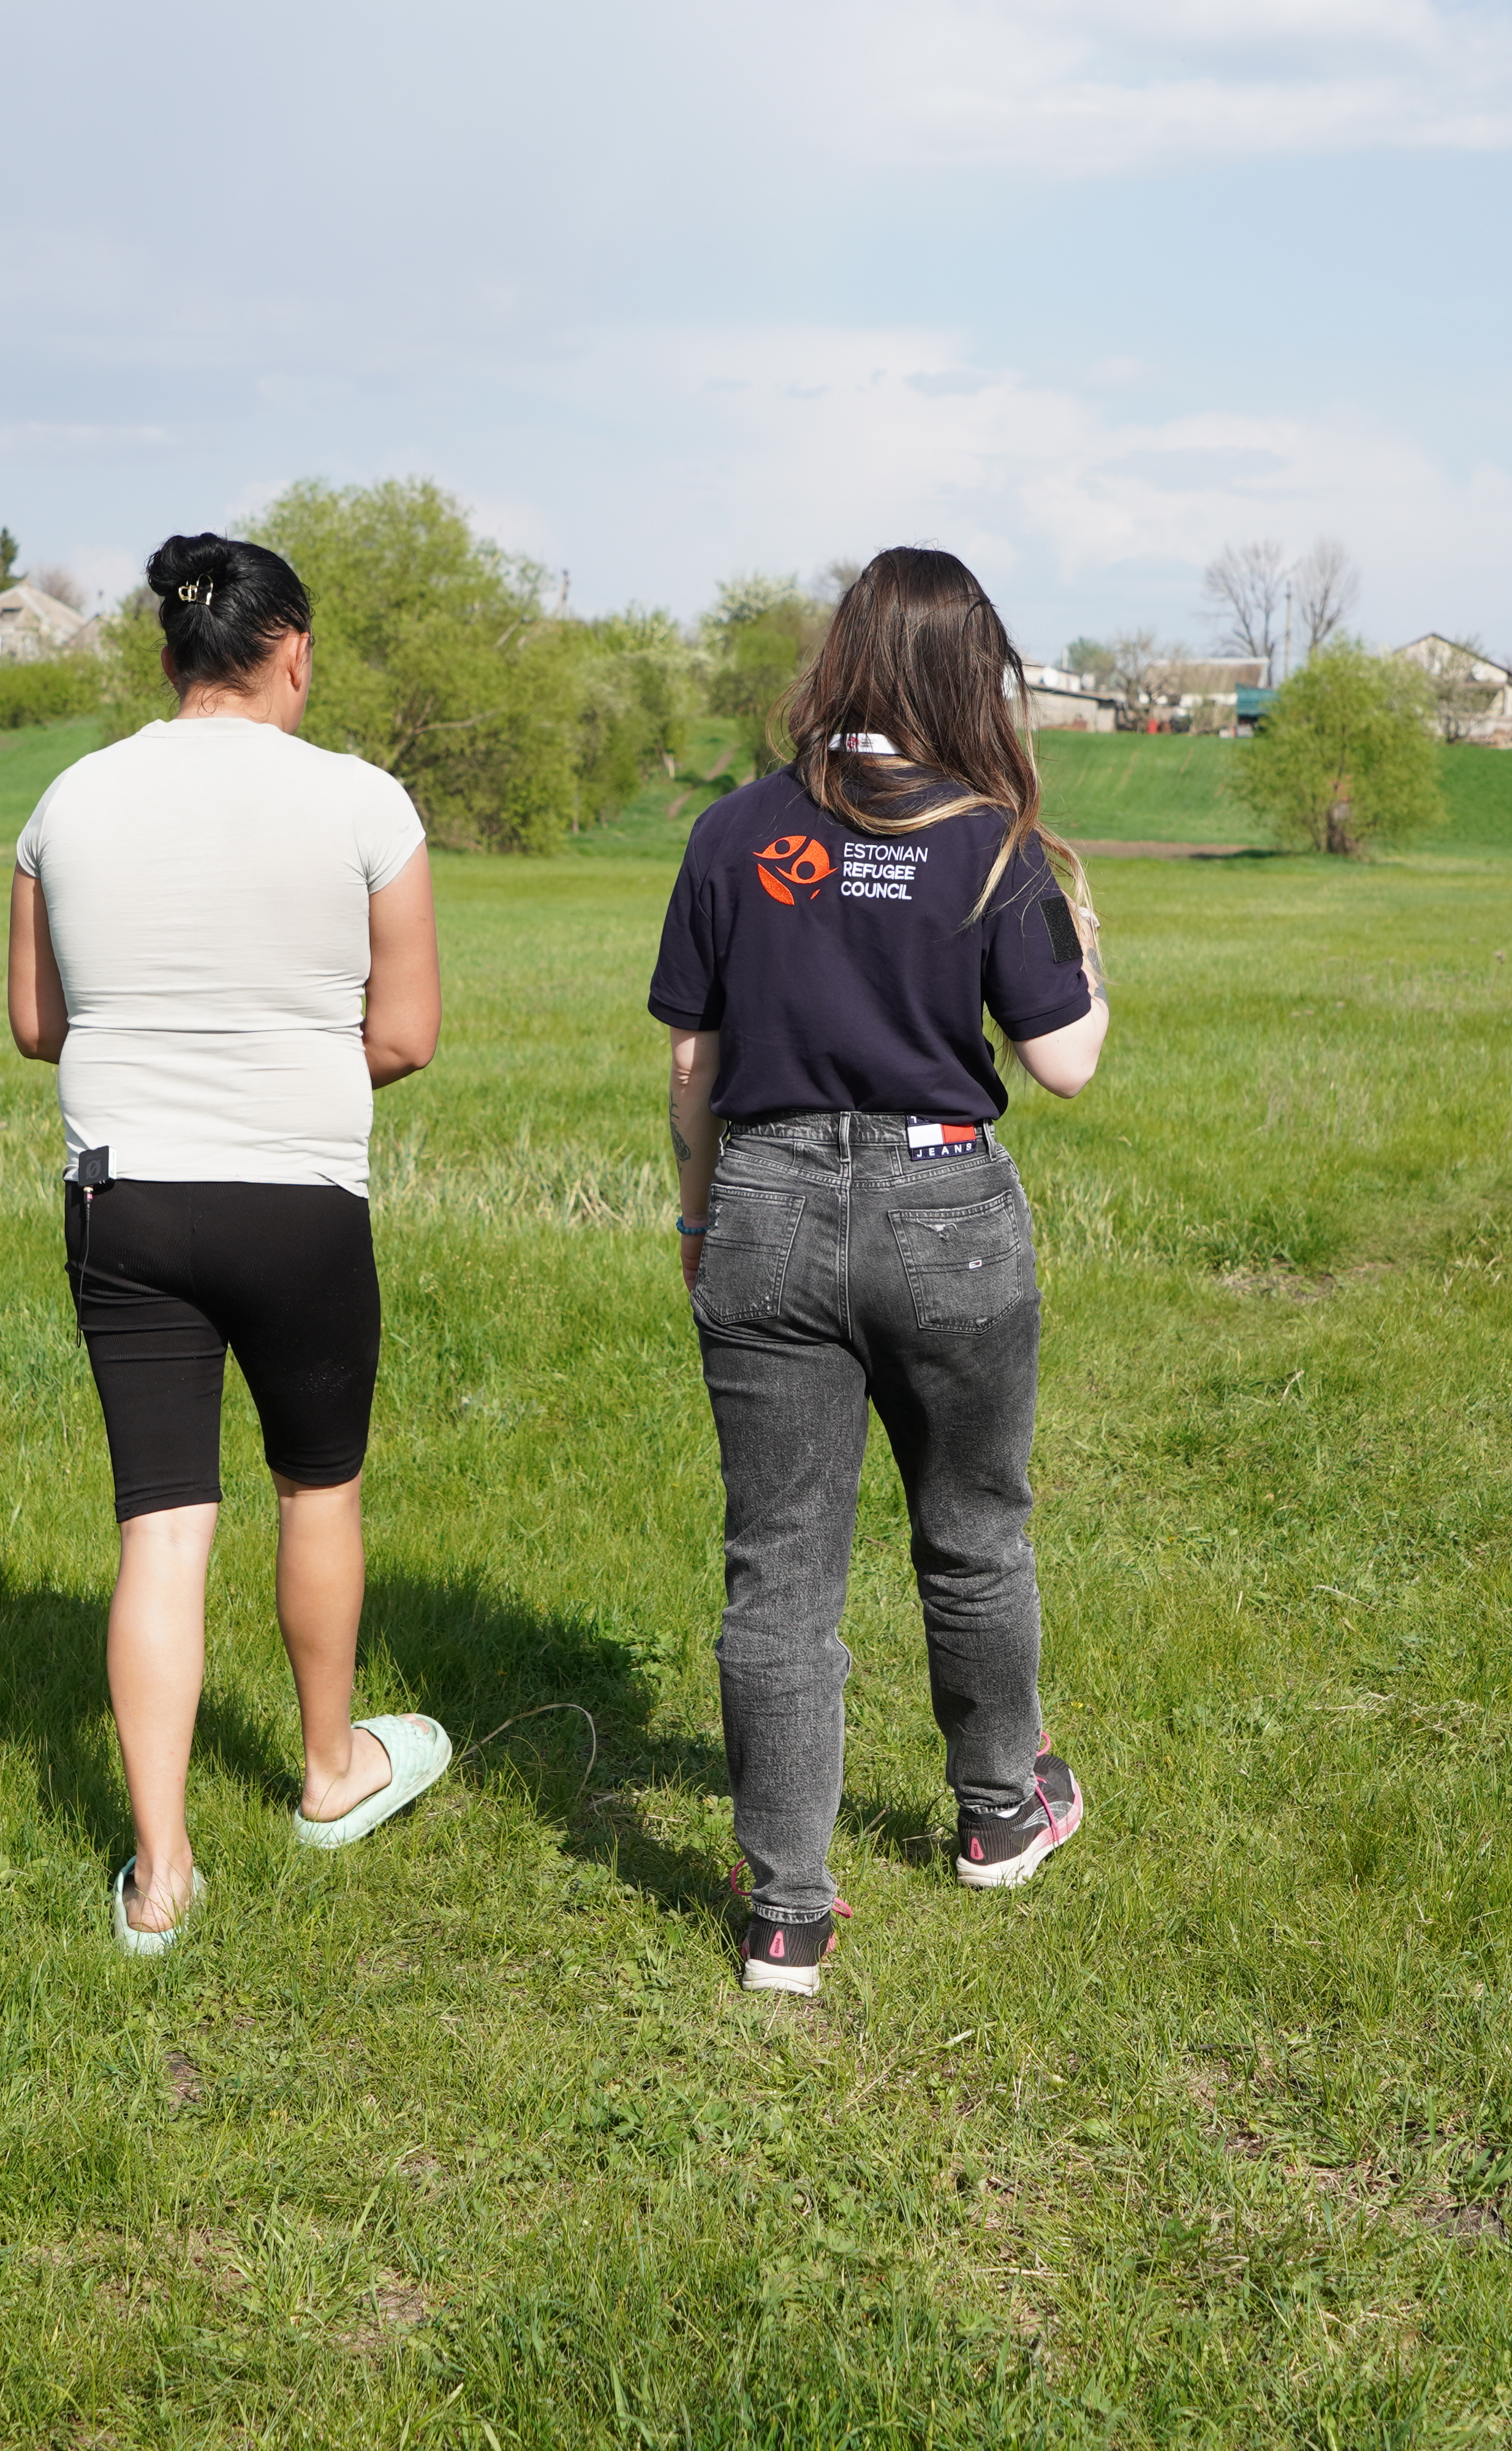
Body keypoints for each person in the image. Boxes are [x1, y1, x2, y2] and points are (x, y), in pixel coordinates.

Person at [646, 545, 1113, 1996]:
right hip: (945, 1197)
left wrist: (699, 1215)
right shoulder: (995, 838)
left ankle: (786, 1912)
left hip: (770, 1198)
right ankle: (995, 1812)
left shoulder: (734, 830)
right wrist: (1084, 936)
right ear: (970, 674)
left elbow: (691, 1061)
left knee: (778, 1569)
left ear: (845, 658)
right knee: (974, 1530)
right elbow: (1069, 1063)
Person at [8, 531, 454, 1955]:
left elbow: (38, 1027)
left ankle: (159, 1875)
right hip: (302, 1197)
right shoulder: (365, 804)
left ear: (167, 660)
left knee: (163, 1520)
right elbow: (406, 1034)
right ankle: (329, 1773)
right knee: (316, 1487)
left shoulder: (66, 800)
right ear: (295, 652)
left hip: (125, 1196)